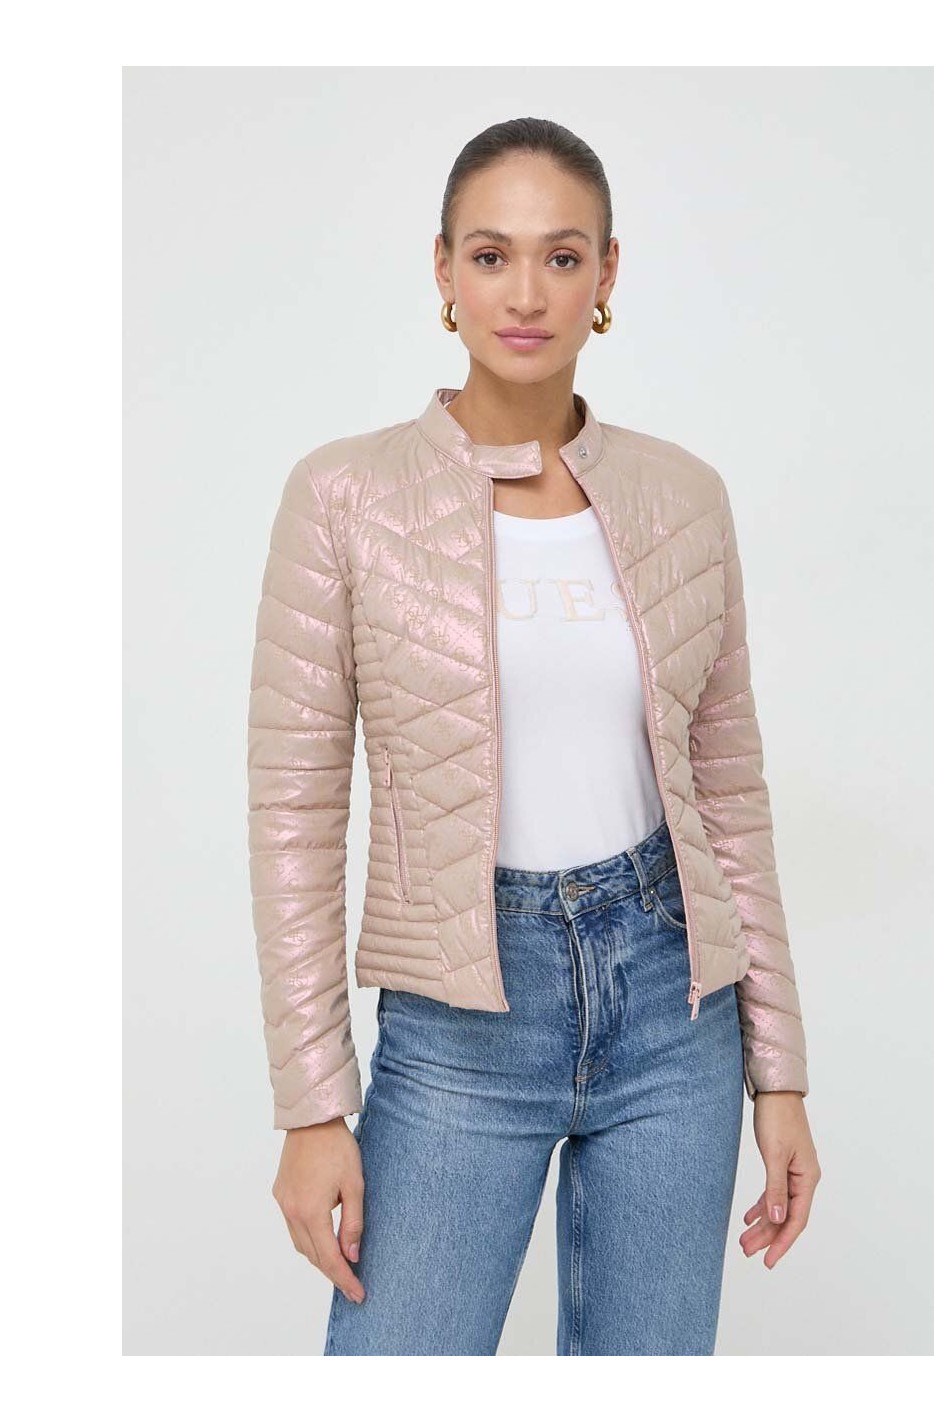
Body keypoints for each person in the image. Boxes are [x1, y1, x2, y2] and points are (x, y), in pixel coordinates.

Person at [247, 116, 821, 1357]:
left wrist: (777, 1073)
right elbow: (295, 813)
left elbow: (728, 794)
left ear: (606, 274)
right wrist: (312, 1102)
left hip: (673, 1010)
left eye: (561, 257)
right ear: (443, 270)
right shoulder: (344, 497)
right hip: (459, 1023)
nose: (524, 294)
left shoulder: (683, 496)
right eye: (490, 255)